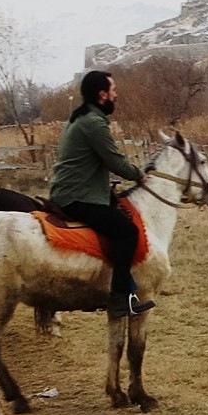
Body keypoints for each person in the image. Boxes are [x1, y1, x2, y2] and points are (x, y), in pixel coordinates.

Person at [49, 70, 155, 318]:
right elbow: (114, 160)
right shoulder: (93, 123)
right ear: (102, 94)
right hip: (77, 196)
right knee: (127, 232)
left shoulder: (80, 118)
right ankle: (119, 299)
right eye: (113, 90)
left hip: (76, 190)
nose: (116, 95)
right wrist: (140, 175)